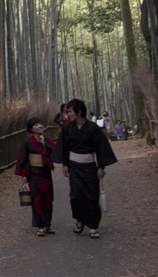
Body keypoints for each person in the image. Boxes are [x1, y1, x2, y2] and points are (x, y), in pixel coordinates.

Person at [53, 98, 117, 239]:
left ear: (79, 112)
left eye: (70, 111)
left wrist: (101, 166)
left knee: (91, 196)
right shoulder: (67, 128)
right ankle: (80, 220)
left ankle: (93, 225)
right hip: (74, 165)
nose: (68, 114)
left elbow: (101, 147)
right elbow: (63, 146)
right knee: (75, 195)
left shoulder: (93, 128)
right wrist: (65, 164)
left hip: (89, 166)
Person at [15, 117, 57, 237]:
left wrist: (44, 145)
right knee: (37, 200)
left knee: (48, 199)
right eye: (36, 125)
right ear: (31, 129)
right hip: (34, 174)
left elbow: (54, 154)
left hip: (46, 173)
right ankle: (40, 226)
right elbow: (23, 158)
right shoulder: (28, 143)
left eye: (40, 124)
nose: (40, 126)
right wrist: (24, 174)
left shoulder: (48, 141)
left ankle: (48, 224)